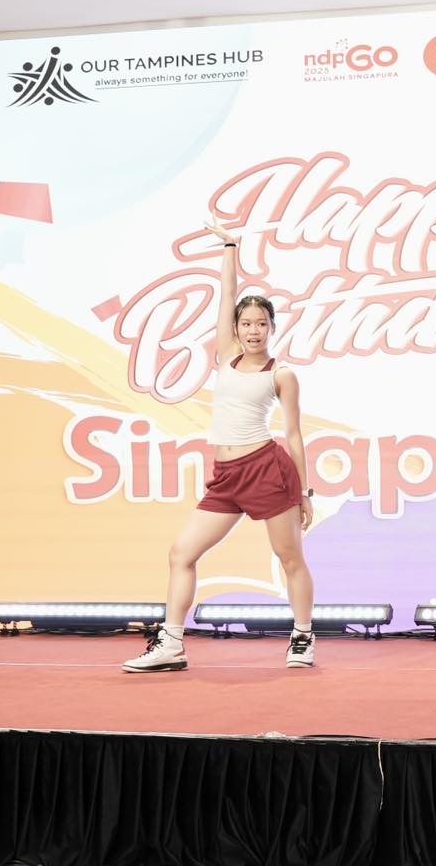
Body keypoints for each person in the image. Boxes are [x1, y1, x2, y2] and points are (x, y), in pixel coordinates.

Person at [123, 217, 316, 672]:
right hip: (227, 477)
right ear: (236, 327)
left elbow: (293, 434)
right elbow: (227, 294)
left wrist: (305, 492)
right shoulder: (224, 356)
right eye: (246, 323)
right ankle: (171, 644)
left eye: (261, 324)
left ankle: (303, 637)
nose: (253, 330)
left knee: (289, 557)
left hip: (268, 470)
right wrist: (230, 247)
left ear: (271, 328)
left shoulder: (281, 373)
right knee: (181, 553)